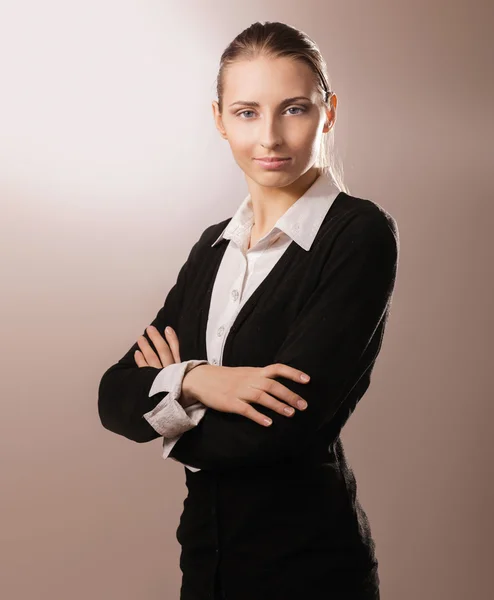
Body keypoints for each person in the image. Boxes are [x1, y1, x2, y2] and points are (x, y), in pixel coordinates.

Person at [98, 20, 399, 600]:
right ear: (218, 120)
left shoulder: (357, 234)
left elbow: (279, 430)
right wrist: (203, 380)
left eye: (293, 109)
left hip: (310, 570)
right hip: (206, 567)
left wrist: (165, 399)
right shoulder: (213, 247)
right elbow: (114, 395)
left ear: (327, 111)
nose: (270, 138)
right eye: (245, 112)